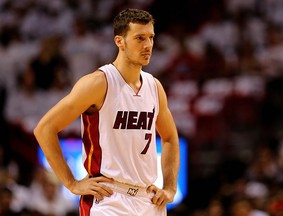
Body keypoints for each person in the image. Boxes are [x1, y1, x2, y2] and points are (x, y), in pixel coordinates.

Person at [34, 8, 180, 216]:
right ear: (119, 41)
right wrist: (72, 184)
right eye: (139, 38)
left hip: (149, 200)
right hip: (108, 199)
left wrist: (170, 187)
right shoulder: (99, 83)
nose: (148, 45)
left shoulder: (154, 87)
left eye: (151, 38)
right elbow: (44, 128)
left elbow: (170, 138)